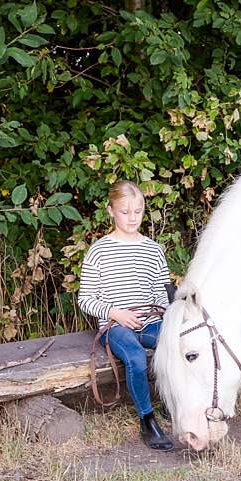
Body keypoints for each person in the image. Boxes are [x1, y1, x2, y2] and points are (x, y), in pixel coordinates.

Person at [77, 180, 176, 451]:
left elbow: (160, 294)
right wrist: (114, 312)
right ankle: (147, 420)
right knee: (134, 357)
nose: (132, 218)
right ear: (111, 211)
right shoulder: (99, 251)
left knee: (176, 346)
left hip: (149, 320)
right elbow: (85, 299)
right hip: (115, 325)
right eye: (125, 212)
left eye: (138, 211)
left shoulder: (153, 250)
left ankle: (173, 402)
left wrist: (165, 316)